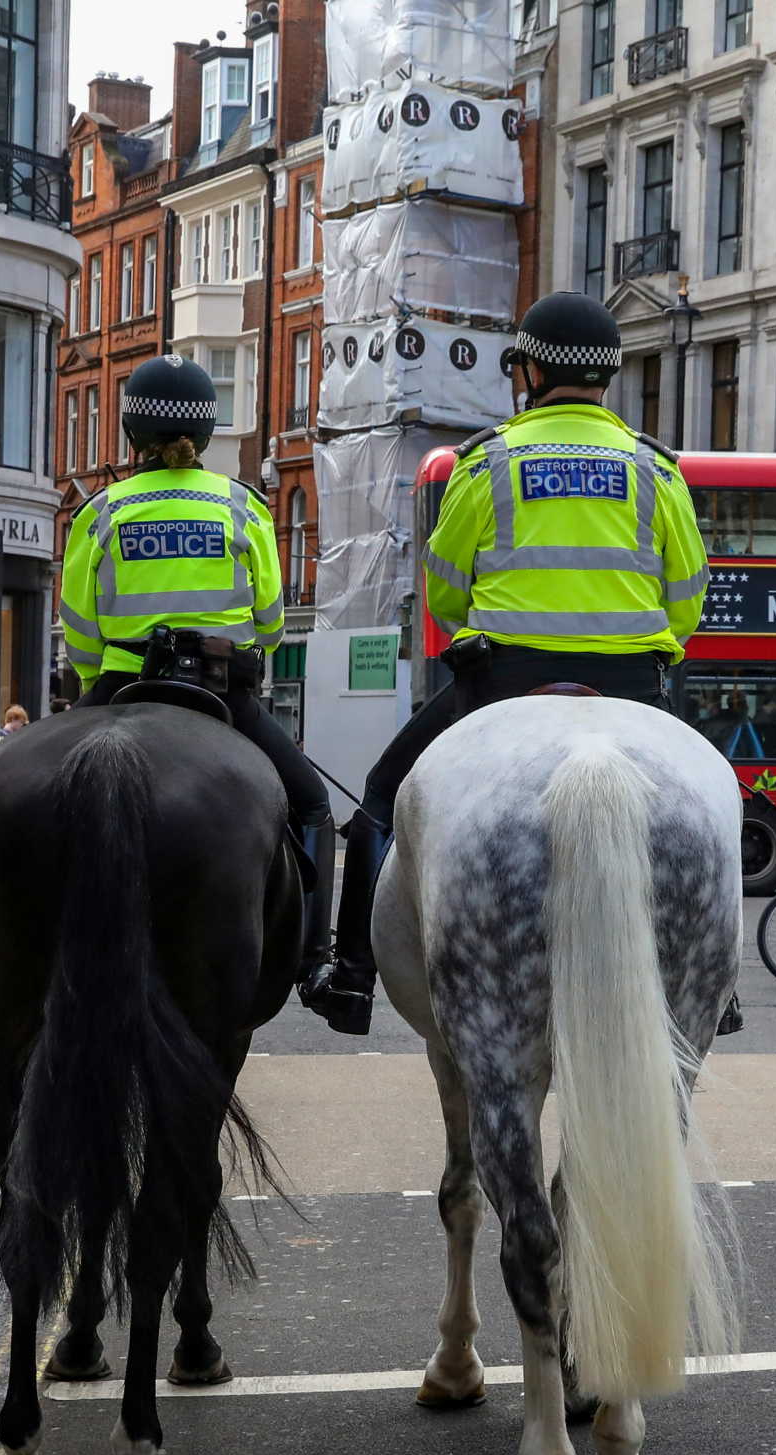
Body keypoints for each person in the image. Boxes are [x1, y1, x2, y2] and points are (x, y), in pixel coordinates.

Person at [304, 290, 710, 1035]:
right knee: (718, 805)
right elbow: (686, 603)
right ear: (605, 376)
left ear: (529, 372)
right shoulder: (658, 470)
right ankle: (721, 984)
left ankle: (353, 977)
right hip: (633, 689)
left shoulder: (487, 461)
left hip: (503, 684)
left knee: (375, 801)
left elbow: (446, 588)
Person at [60, 352, 337, 987]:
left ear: (133, 435)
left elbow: (79, 627)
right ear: (206, 434)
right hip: (220, 694)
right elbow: (270, 620)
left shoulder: (100, 511)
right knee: (313, 803)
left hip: (121, 686)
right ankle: (315, 962)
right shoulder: (243, 508)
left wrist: (94, 677)